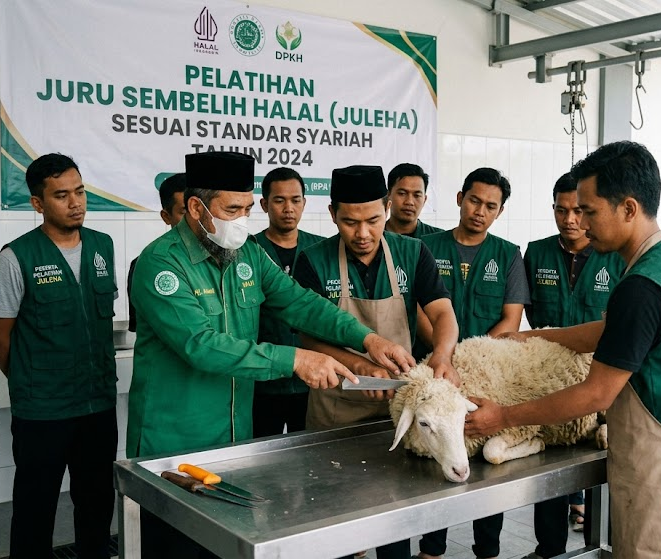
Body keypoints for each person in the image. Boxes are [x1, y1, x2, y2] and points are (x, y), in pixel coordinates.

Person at [465, 141, 661, 559]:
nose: (581, 223)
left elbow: (596, 394)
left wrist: (501, 417)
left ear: (629, 208)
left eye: (590, 212)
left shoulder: (642, 287)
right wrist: (533, 337)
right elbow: (613, 331)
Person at [128, 152, 412, 557]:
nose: (242, 220)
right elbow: (202, 346)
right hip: (174, 445)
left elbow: (301, 302)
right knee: (176, 547)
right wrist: (295, 359)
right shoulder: (161, 264)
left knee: (223, 546)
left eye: (246, 209)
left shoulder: (247, 253)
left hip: (232, 441)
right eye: (231, 210)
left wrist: (368, 340)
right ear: (195, 207)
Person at [293, 164, 460, 559]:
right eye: (350, 222)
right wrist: (361, 365)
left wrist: (442, 353)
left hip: (394, 411)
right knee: (337, 520)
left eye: (372, 219)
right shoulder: (312, 260)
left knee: (392, 515)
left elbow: (443, 314)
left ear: (387, 208)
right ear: (333, 215)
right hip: (334, 410)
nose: (363, 234)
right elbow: (309, 336)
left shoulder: (412, 252)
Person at [0, 153, 118, 559]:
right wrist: (31, 381)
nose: (75, 202)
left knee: (97, 503)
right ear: (38, 204)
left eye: (79, 191)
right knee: (35, 508)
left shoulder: (102, 245)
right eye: (61, 195)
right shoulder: (16, 258)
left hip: (97, 404)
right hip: (42, 412)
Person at [415, 167, 531, 559]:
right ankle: (432, 548)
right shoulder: (425, 247)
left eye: (491, 206)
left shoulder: (508, 254)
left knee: (488, 467)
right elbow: (418, 309)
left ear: (500, 211)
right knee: (439, 458)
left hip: (488, 378)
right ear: (460, 197)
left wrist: (469, 359)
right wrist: (444, 354)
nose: (481, 211)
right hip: (435, 373)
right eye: (475, 200)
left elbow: (511, 320)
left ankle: (488, 549)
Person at [524, 172, 626, 550]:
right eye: (562, 210)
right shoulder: (537, 252)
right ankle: (548, 548)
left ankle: (600, 539)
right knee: (546, 467)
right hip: (549, 376)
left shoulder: (614, 258)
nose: (570, 220)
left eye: (578, 211)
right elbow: (530, 311)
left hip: (602, 379)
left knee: (601, 462)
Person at [252, 167, 325, 437]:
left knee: (310, 455)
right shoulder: (249, 250)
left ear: (304, 203)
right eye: (279, 200)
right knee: (260, 456)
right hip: (264, 381)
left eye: (295, 200)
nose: (288, 208)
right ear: (264, 204)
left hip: (313, 381)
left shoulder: (320, 250)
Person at [127, 172, 186, 332]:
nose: (195, 217)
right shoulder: (147, 265)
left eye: (200, 209)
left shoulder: (221, 258)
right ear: (166, 217)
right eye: (184, 212)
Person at [384, 163, 444, 238]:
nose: (409, 202)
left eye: (417, 195)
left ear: (424, 200)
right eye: (402, 193)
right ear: (388, 195)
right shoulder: (373, 237)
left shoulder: (439, 239)